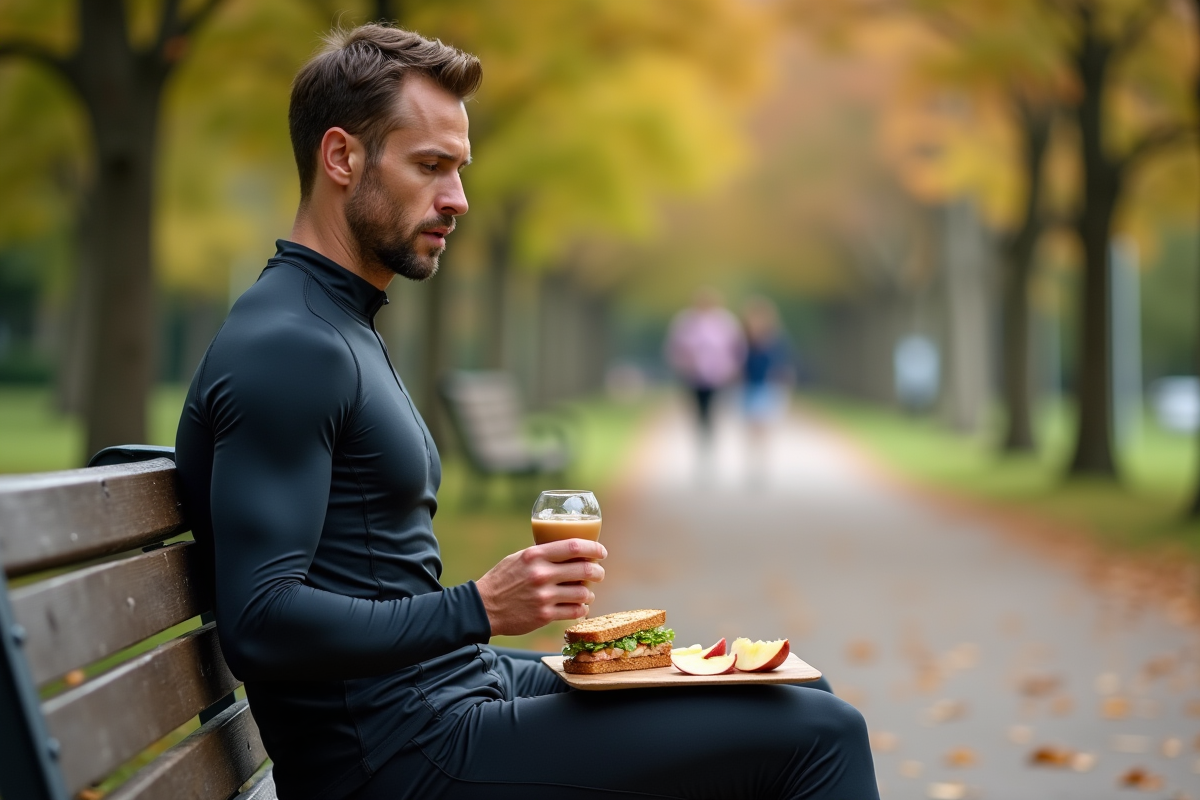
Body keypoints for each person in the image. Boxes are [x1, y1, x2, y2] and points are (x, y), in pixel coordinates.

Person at [175, 24, 878, 800]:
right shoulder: (290, 347)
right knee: (823, 736)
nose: (458, 199)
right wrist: (479, 606)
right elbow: (262, 622)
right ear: (341, 157)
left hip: (448, 699)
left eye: (460, 169)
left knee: (791, 697)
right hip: (400, 762)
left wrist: (554, 652)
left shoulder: (333, 325)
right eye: (430, 167)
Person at [664, 288, 746, 442]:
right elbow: (675, 347)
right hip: (693, 375)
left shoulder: (726, 321)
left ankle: (711, 434)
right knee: (698, 409)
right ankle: (703, 435)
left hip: (719, 375)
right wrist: (683, 363)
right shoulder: (685, 321)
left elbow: (737, 347)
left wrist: (734, 368)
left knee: (715, 408)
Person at [741, 296, 794, 481]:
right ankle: (752, 465)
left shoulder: (776, 339)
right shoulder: (745, 339)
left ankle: (762, 465)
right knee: (751, 428)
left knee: (764, 427)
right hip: (749, 386)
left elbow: (784, 363)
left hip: (769, 387)